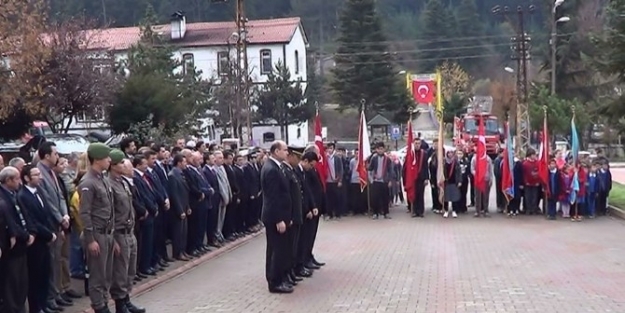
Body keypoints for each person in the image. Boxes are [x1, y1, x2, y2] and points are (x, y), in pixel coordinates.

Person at [79, 143, 115, 313]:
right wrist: (90, 239)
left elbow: (109, 209)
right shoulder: (88, 182)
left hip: (107, 233)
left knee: (106, 274)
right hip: (96, 235)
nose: (109, 160)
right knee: (97, 276)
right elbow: (84, 214)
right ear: (98, 159)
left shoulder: (102, 179)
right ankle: (99, 307)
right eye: (107, 157)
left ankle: (104, 303)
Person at [108, 150, 146, 313]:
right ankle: (120, 304)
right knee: (120, 272)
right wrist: (112, 238)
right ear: (113, 165)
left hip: (130, 231)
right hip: (119, 232)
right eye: (122, 163)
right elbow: (109, 213)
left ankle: (127, 300)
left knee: (130, 269)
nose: (125, 165)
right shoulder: (109, 184)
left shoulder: (123, 182)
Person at [18, 164, 57, 313]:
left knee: (45, 274)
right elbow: (32, 220)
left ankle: (43, 304)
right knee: (35, 276)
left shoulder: (39, 191)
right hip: (36, 242)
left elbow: (46, 213)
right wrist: (48, 233)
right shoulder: (23, 196)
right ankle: (36, 307)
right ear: (27, 178)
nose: (40, 177)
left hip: (45, 241)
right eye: (36, 175)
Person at [260, 140, 293, 294]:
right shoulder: (271, 169)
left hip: (278, 215)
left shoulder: (275, 166)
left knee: (277, 249)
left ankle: (277, 278)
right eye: (285, 150)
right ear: (276, 151)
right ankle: (275, 282)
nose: (287, 152)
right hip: (274, 217)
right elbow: (273, 197)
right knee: (276, 250)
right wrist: (279, 219)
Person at [0, 166, 33, 313]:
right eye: (17, 179)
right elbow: (10, 222)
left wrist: (31, 232)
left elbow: (24, 215)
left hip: (22, 246)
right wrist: (24, 235)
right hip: (11, 249)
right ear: (8, 180)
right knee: (11, 285)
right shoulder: (3, 198)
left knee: (21, 283)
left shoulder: (15, 194)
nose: (20, 182)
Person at [168, 153, 191, 261]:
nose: (186, 164)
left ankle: (183, 250)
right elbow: (174, 195)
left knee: (184, 232)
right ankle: (177, 252)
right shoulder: (172, 175)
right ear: (179, 163)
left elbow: (185, 192)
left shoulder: (182, 174)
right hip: (178, 209)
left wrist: (188, 206)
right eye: (184, 162)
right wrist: (180, 210)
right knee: (178, 232)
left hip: (184, 206)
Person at [367, 142, 393, 219]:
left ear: (384, 149)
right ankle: (375, 213)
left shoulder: (387, 159)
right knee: (375, 198)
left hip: (384, 181)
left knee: (385, 198)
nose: (380, 150)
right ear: (376, 150)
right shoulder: (374, 158)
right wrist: (371, 179)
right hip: (376, 181)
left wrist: (390, 180)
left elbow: (390, 170)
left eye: (382, 149)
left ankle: (386, 213)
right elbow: (370, 169)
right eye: (379, 149)